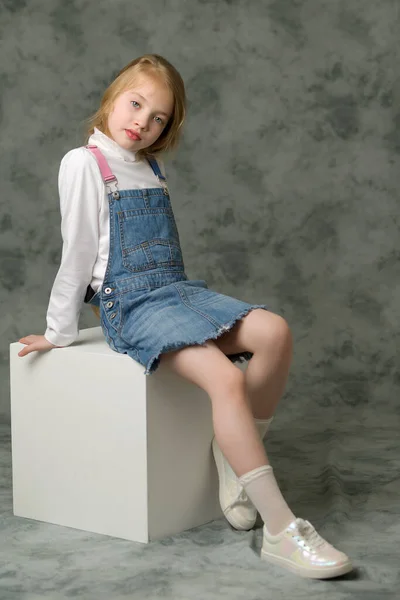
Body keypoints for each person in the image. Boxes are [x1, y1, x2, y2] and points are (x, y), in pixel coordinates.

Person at [18, 53, 353, 579]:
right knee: (224, 378)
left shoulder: (152, 166)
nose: (143, 123)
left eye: (159, 119)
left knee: (274, 332)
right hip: (129, 306)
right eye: (136, 104)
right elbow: (78, 254)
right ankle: (282, 530)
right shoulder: (83, 164)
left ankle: (234, 457)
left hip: (175, 292)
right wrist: (59, 332)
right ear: (112, 97)